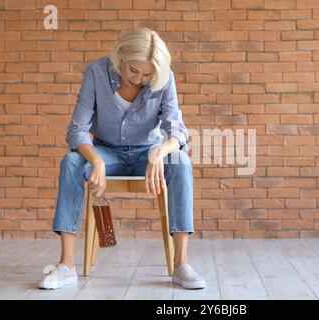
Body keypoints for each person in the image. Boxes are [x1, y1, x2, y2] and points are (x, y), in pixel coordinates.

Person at [37, 27, 205, 290]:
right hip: (105, 151)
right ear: (122, 55)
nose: (138, 79)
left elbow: (178, 131)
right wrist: (96, 161)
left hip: (147, 152)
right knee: (70, 162)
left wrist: (160, 152)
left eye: (147, 74)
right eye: (133, 71)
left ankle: (181, 265)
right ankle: (66, 265)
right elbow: (77, 130)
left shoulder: (165, 78)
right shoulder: (96, 73)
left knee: (181, 161)